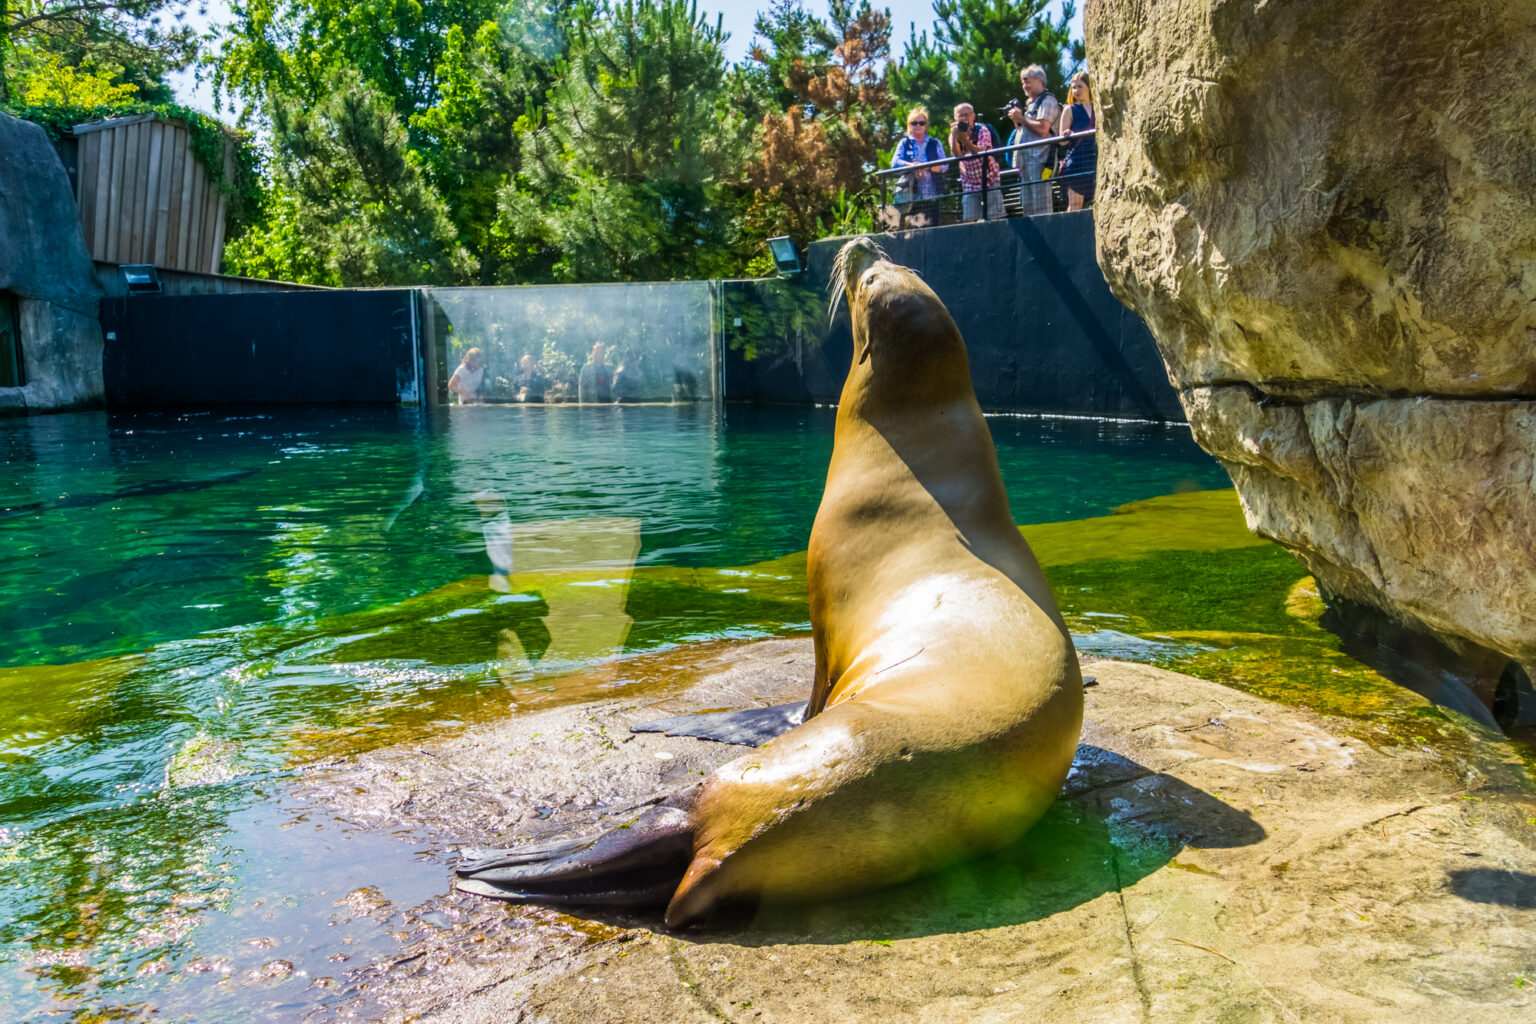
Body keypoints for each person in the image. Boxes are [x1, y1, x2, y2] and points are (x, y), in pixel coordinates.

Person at [1004, 65, 1063, 217]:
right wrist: (1017, 119)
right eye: (1022, 82)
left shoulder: (1048, 100)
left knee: (1041, 205)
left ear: (1040, 80)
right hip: (1025, 161)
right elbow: (1023, 129)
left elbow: (1043, 129)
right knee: (1028, 206)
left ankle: (1046, 234)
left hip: (1040, 159)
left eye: (1027, 81)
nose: (1024, 86)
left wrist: (1021, 118)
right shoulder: (1031, 103)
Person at [889, 107, 947, 228]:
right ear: (909, 126)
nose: (918, 125)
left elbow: (945, 165)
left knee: (933, 229)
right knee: (915, 231)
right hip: (912, 195)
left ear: (926, 126)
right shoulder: (905, 143)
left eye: (921, 123)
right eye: (914, 123)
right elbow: (895, 162)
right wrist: (913, 166)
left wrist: (927, 167)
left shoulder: (934, 143)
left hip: (932, 194)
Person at [949, 103, 1003, 222]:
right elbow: (957, 155)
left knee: (994, 218)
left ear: (973, 116)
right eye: (960, 116)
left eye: (966, 115)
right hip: (969, 181)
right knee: (969, 219)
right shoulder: (954, 133)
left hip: (989, 179)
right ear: (955, 118)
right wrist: (954, 136)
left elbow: (979, 152)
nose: (963, 118)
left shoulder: (982, 130)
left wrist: (964, 139)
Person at [1056, 71, 1098, 211]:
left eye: (1080, 86)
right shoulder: (1069, 110)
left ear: (1089, 87)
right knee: (1075, 204)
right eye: (1073, 87)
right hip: (1077, 161)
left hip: (1095, 159)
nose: (1076, 90)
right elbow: (1061, 141)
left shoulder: (1097, 108)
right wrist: (1066, 135)